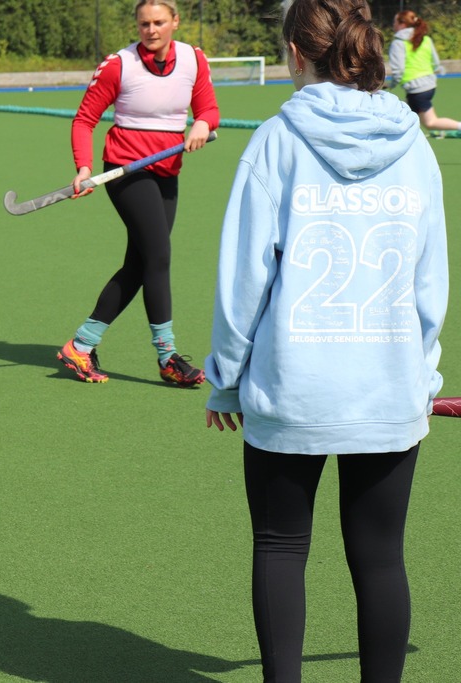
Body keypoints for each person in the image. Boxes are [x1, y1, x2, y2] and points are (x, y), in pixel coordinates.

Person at [203, 1, 447, 680]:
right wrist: (421, 379)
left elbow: (243, 274)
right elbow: (432, 280)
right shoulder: (414, 143)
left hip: (292, 387)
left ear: (294, 52)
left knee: (280, 546)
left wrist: (225, 375)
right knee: (381, 556)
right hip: (388, 385)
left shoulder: (277, 141)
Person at [56, 0, 218, 387]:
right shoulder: (119, 65)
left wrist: (202, 123)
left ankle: (81, 344)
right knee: (159, 255)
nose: (151, 30)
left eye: (159, 22)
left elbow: (209, 109)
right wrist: (83, 167)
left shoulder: (194, 60)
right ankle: (167, 356)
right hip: (125, 171)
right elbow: (85, 120)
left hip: (167, 171)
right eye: (144, 23)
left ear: (175, 22)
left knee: (141, 263)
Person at [387, 9, 461, 135]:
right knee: (406, 113)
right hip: (429, 86)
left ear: (402, 24)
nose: (393, 25)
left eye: (395, 22)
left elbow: (398, 71)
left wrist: (391, 85)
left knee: (430, 123)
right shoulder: (425, 39)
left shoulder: (398, 43)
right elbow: (436, 63)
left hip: (417, 90)